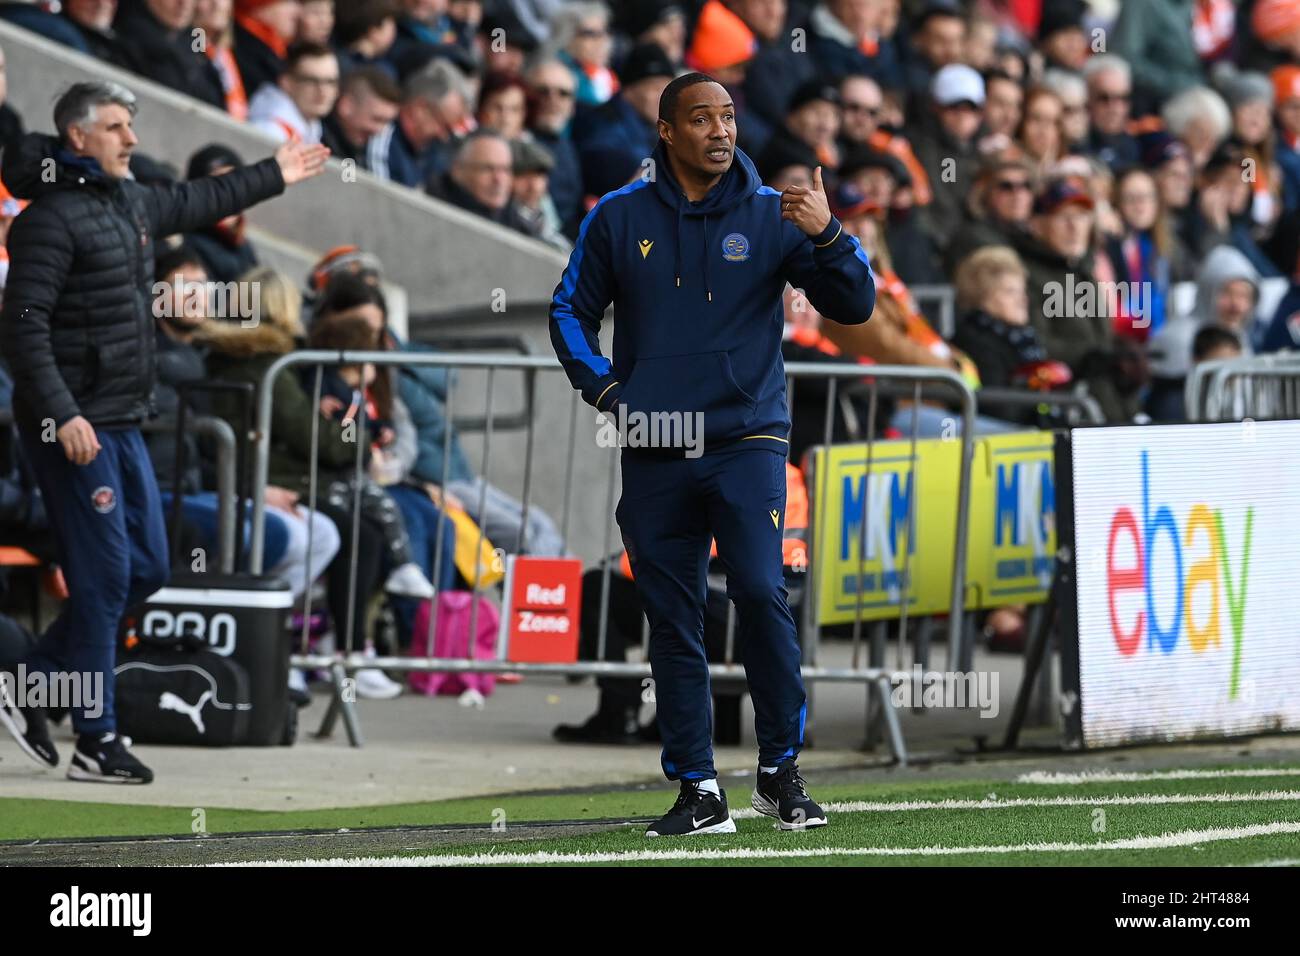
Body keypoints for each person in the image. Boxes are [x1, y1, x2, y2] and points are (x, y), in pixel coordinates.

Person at [549, 71, 876, 836]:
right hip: (655, 442)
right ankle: (698, 787)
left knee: (761, 591)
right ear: (667, 132)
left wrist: (829, 233)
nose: (720, 130)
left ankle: (779, 772)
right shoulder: (617, 215)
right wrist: (607, 393)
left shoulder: (774, 213)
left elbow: (856, 304)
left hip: (747, 437)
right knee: (672, 614)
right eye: (701, 119)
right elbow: (569, 311)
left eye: (728, 116)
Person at [0, 81, 327, 783]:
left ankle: (31, 680)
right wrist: (64, 413)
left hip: (121, 419)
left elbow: (199, 199)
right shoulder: (47, 220)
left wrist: (273, 174)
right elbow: (21, 330)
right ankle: (97, 739)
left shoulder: (130, 202)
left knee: (146, 568)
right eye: (117, 127)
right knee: (104, 578)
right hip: (73, 425)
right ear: (78, 136)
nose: (132, 138)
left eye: (132, 125)